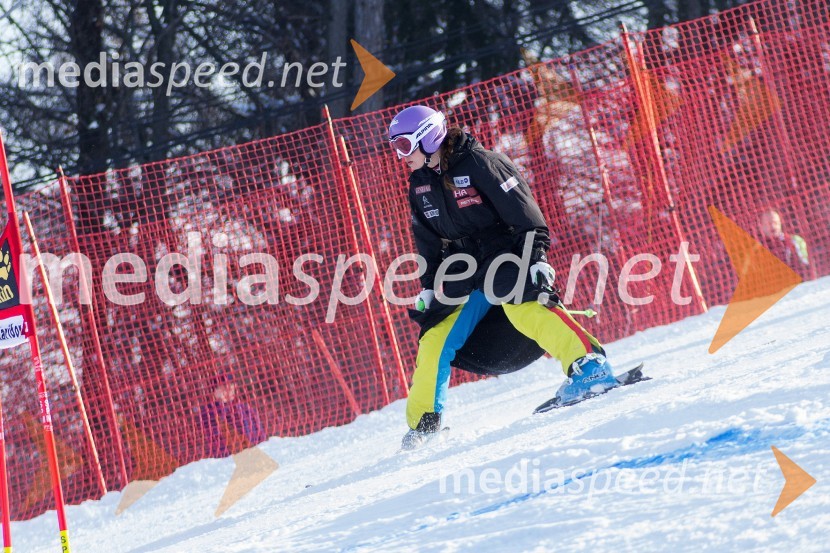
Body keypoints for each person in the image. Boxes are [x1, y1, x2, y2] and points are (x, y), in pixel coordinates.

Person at [387, 105, 617, 449]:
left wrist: (536, 257)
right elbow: (428, 242)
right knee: (434, 336)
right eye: (395, 148)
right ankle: (424, 425)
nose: (400, 156)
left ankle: (590, 367)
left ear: (429, 138)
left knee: (520, 301)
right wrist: (429, 286)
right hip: (463, 268)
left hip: (506, 252)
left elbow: (525, 214)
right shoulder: (419, 185)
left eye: (404, 146)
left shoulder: (481, 164)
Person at [199, 372, 266, 457]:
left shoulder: (244, 408)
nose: (229, 390)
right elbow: (214, 437)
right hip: (228, 458)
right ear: (215, 391)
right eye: (223, 388)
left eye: (231, 386)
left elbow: (260, 432)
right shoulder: (208, 412)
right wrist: (222, 403)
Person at [756, 208, 812, 280]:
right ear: (762, 226)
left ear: (780, 223)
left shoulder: (795, 240)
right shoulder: (757, 249)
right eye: (769, 223)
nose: (773, 226)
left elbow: (805, 266)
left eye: (775, 222)